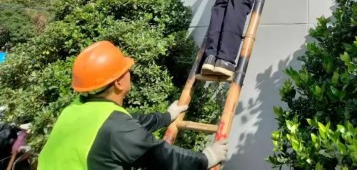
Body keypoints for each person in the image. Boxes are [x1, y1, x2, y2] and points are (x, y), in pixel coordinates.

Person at [38, 40, 228, 169]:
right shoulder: (116, 128)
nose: (130, 71)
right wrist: (206, 158)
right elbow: (162, 154)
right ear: (119, 82)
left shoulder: (73, 110)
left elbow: (130, 123)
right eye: (126, 70)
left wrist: (166, 117)